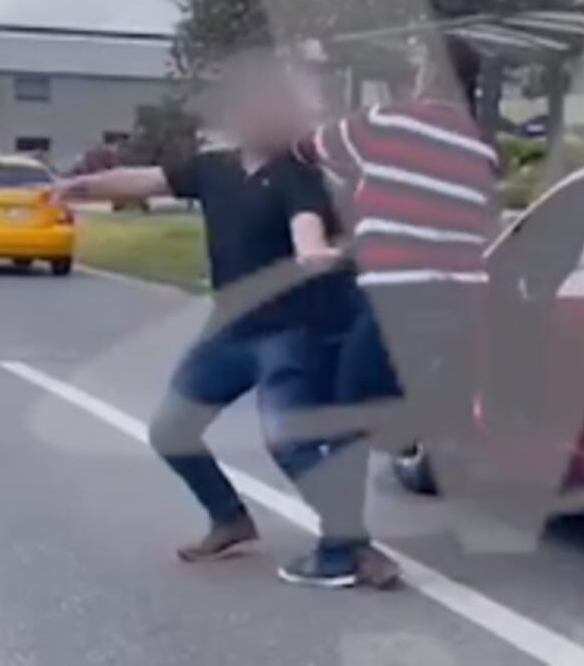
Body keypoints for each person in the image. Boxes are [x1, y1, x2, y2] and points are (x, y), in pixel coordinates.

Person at [55, 53, 393, 589]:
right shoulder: (213, 168)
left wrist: (312, 249)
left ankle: (350, 544)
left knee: (289, 441)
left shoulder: (299, 177)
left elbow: (306, 224)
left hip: (292, 332)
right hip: (230, 329)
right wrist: (77, 188)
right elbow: (145, 180)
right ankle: (229, 520)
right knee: (172, 430)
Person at [293, 37, 499, 540]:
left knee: (345, 416)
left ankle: (338, 545)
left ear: (429, 72)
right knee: (426, 395)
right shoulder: (484, 149)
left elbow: (310, 148)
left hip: (396, 294)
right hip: (463, 302)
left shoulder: (386, 122)